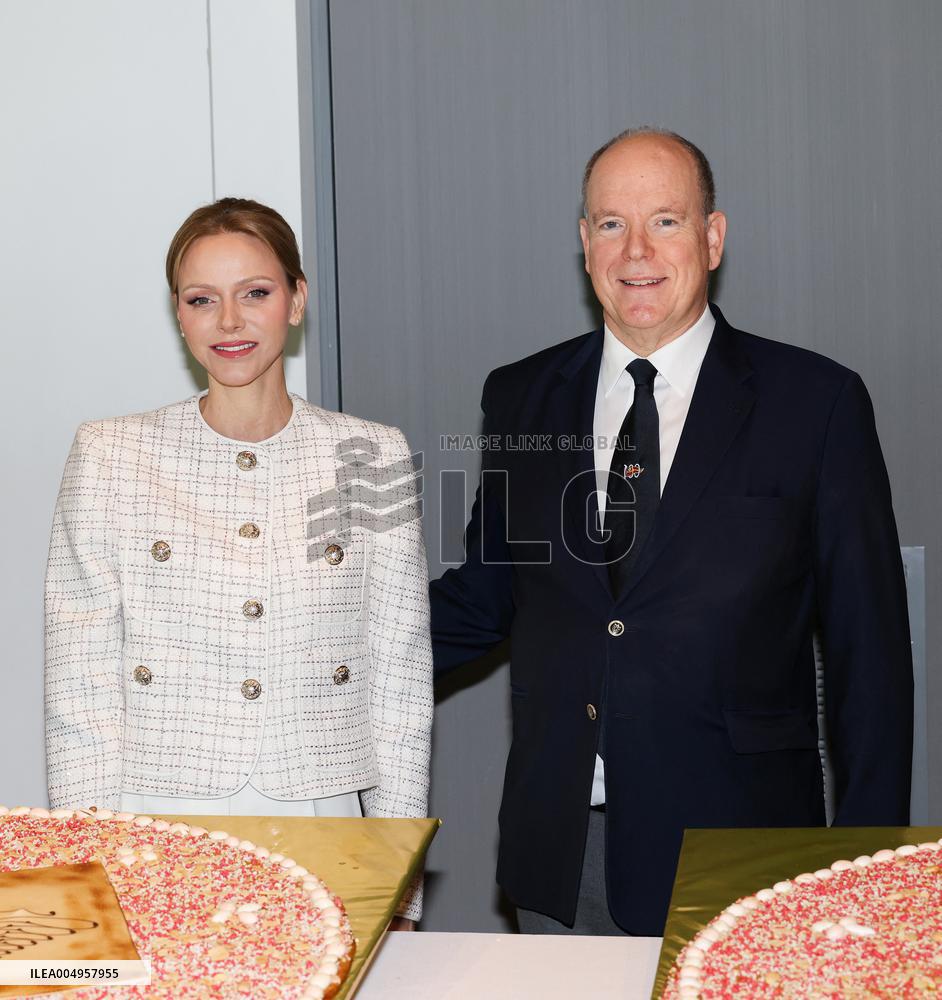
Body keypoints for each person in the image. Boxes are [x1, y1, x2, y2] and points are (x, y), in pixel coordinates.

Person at [430, 128, 913, 935]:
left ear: (712, 238)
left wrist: (864, 877)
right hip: (560, 860)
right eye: (611, 223)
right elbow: (484, 598)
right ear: (585, 244)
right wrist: (324, 651)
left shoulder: (815, 404)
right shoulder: (521, 397)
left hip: (745, 858)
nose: (636, 251)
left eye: (666, 220)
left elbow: (870, 663)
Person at [45, 198, 433, 925]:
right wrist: (80, 891)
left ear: (297, 299)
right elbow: (81, 692)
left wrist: (398, 884)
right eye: (203, 300)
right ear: (180, 315)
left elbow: (400, 683)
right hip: (156, 821)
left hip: (323, 815)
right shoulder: (111, 455)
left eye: (255, 292)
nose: (230, 322)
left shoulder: (371, 453)